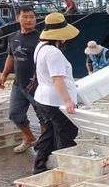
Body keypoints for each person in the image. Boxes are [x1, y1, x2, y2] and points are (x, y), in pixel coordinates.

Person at [32, 13, 80, 175]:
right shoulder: (54, 53)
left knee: (50, 131)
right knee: (65, 134)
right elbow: (57, 78)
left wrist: (71, 84)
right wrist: (68, 101)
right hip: (55, 101)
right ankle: (67, 170)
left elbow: (49, 74)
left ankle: (39, 165)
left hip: (43, 98)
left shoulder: (41, 47)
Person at [0, 5, 45, 153]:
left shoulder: (41, 38)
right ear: (17, 18)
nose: (29, 20)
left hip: (36, 85)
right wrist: (4, 74)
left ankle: (44, 146)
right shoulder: (13, 37)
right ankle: (30, 139)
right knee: (15, 114)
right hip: (18, 85)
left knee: (43, 117)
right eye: (25, 17)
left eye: (32, 17)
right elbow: (11, 56)